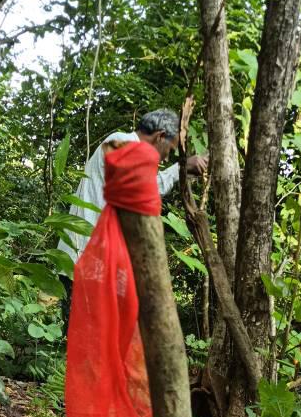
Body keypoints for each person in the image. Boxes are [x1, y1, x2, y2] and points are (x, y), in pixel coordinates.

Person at [57, 108, 208, 328]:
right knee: (88, 334)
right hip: (85, 260)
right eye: (169, 149)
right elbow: (142, 188)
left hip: (97, 262)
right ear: (160, 136)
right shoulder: (120, 141)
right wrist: (179, 169)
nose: (167, 157)